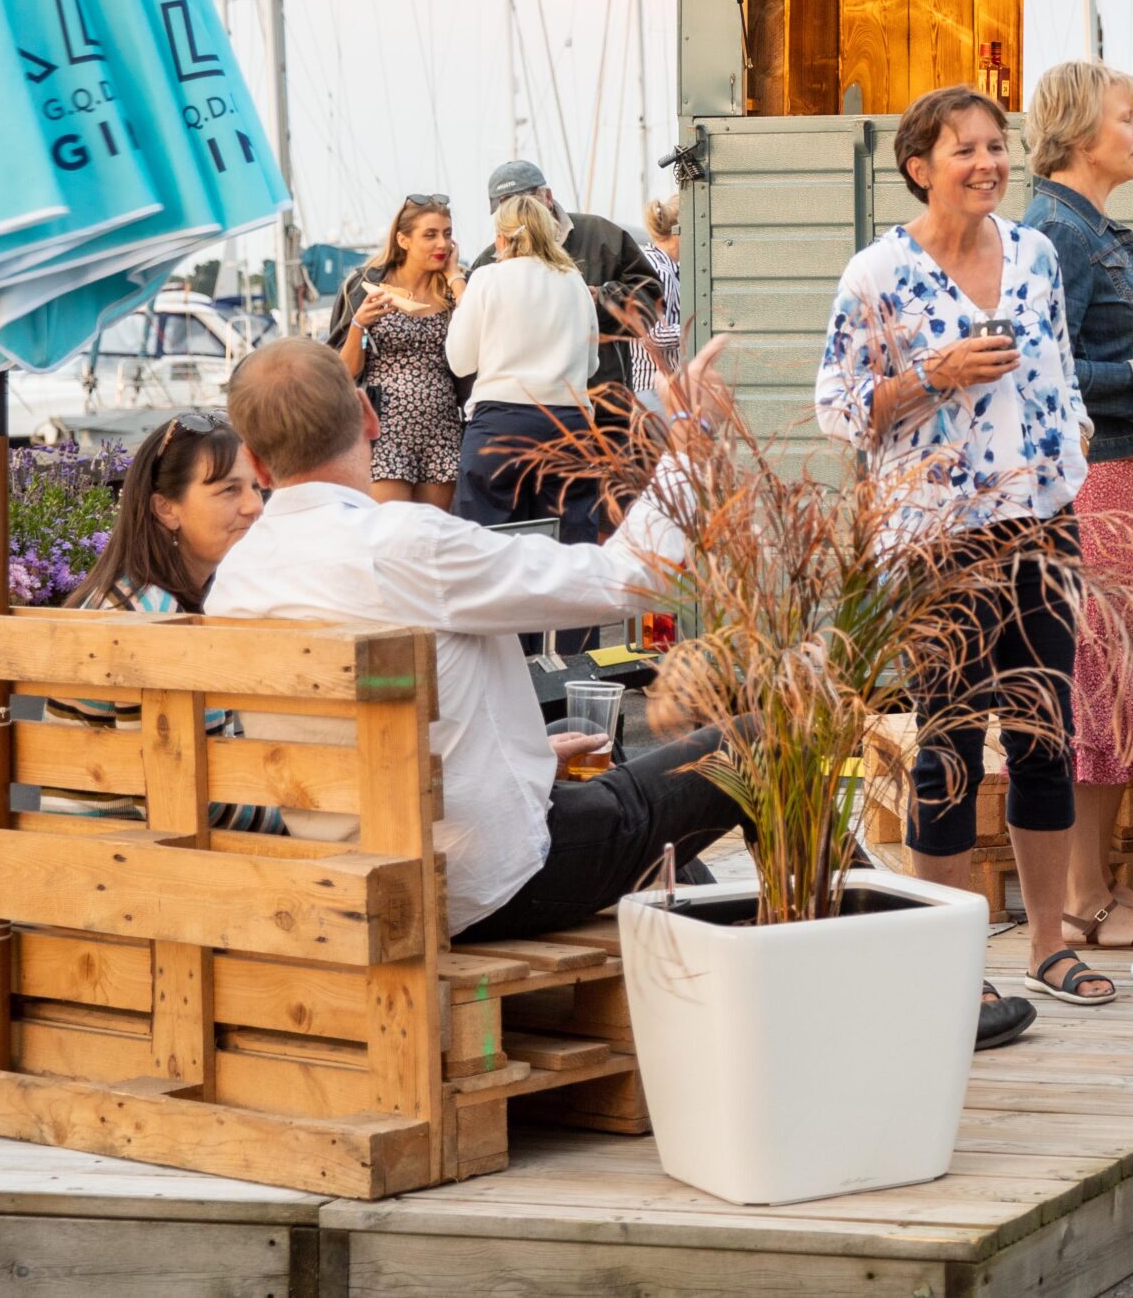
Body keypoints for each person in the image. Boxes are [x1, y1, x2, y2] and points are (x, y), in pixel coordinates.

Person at [206, 337, 756, 946]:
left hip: (351, 883)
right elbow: (630, 580)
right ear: (368, 415)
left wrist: (524, 756)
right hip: (485, 884)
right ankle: (849, 945)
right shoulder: (408, 544)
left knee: (617, 780)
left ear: (256, 464)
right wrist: (688, 448)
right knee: (760, 739)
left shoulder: (234, 580)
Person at [814, 86, 1108, 1022]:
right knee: (945, 744)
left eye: (995, 145)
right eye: (964, 150)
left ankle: (1049, 946)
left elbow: (1056, 366)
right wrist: (927, 378)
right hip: (936, 535)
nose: (987, 162)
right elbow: (838, 408)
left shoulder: (1036, 253)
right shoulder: (876, 275)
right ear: (919, 166)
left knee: (1045, 733)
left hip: (1043, 521)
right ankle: (954, 955)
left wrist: (1074, 460)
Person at [1016, 61, 1133, 964]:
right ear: (1084, 131)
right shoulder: (1055, 232)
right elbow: (1037, 368)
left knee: (1118, 682)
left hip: (1131, 470)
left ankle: (1099, 880)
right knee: (1097, 683)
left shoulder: (1084, 225)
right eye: (1129, 117)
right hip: (1099, 481)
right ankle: (1082, 898)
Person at [43, 412, 282, 835]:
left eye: (255, 487)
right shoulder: (150, 620)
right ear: (166, 509)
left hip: (121, 857)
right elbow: (192, 803)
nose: (254, 506)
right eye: (229, 490)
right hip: (128, 871)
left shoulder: (150, 599)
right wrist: (308, 816)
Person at [447, 193, 601, 545]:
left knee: (490, 550)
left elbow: (459, 360)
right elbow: (590, 365)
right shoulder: (574, 282)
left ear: (501, 238)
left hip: (499, 426)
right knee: (570, 548)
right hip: (567, 426)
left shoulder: (486, 279)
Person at [472, 159, 661, 429]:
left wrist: (600, 299)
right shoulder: (486, 265)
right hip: (520, 416)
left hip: (604, 411)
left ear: (547, 197)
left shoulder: (602, 236)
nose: (518, 214)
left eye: (524, 202)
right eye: (506, 207)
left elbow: (651, 299)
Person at [330, 194, 465, 511]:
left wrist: (455, 274)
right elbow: (345, 371)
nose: (441, 243)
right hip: (386, 428)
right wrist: (358, 325)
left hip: (442, 428)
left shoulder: (454, 288)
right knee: (388, 536)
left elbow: (480, 331)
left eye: (447, 233)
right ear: (403, 239)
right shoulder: (366, 285)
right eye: (429, 235)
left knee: (434, 540)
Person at [629, 195, 684, 407]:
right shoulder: (661, 272)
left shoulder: (653, 263)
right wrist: (696, 328)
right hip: (653, 389)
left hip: (648, 388)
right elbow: (651, 336)